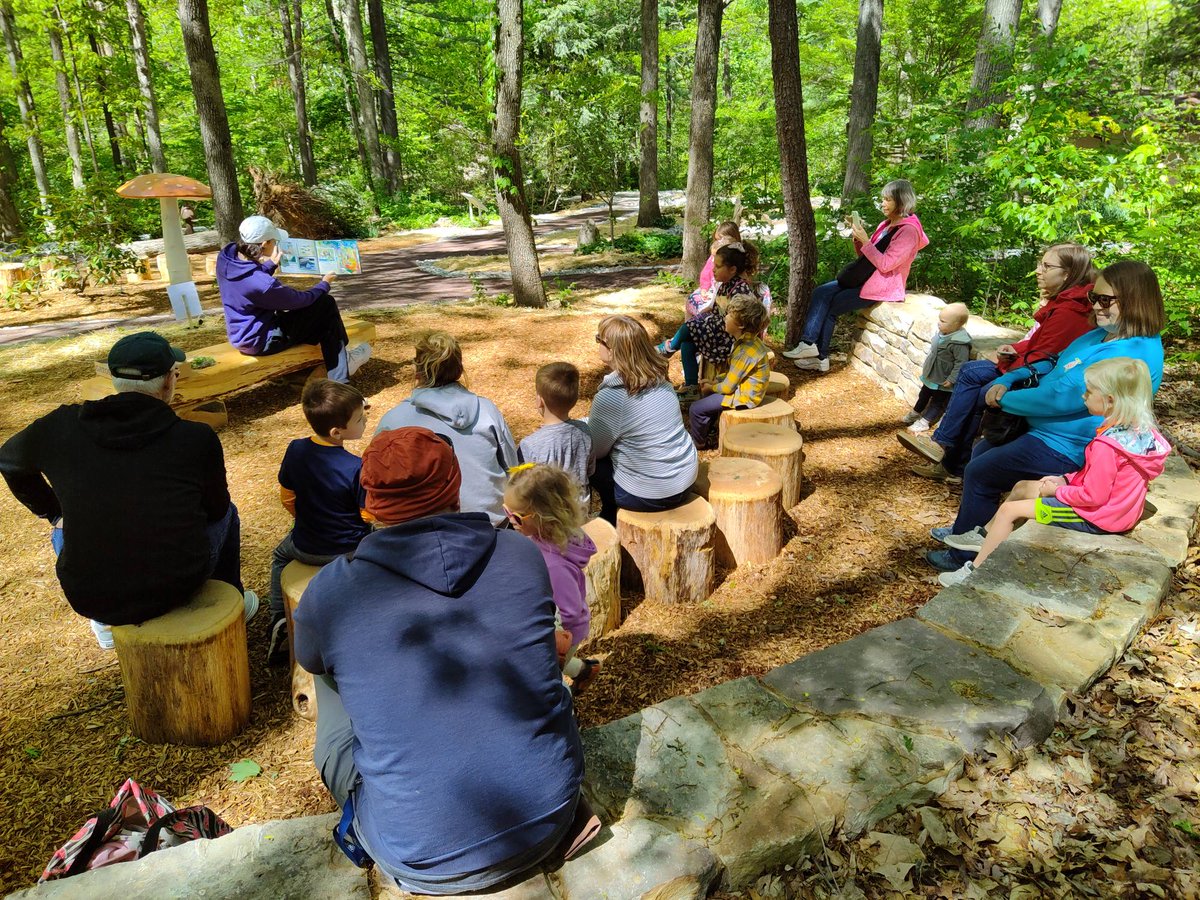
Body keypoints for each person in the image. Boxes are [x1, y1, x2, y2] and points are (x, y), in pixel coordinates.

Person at [294, 426, 587, 894]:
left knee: (326, 680)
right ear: (455, 485)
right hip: (551, 813)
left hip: (419, 854)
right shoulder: (520, 552)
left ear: (372, 505)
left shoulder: (331, 591)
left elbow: (310, 659)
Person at [0, 332, 254, 650]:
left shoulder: (60, 426)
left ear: (114, 379)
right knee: (229, 513)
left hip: (89, 595)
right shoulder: (195, 438)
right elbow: (216, 509)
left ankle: (106, 624)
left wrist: (53, 512)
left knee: (66, 527)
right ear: (169, 381)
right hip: (179, 584)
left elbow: (8, 460)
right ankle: (230, 599)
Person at [926, 260, 1166, 572]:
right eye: (1093, 297)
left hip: (1071, 445)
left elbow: (1060, 398)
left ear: (1134, 300)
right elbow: (1055, 361)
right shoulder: (1101, 335)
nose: (1096, 306)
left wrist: (1002, 399)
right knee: (982, 453)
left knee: (982, 471)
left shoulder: (1134, 351)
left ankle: (966, 556)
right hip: (1047, 432)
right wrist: (1010, 377)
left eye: (1105, 300)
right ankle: (972, 531)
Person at [938, 357, 1170, 586]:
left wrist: (1058, 492)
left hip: (1099, 517)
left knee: (1009, 510)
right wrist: (1065, 479)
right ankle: (986, 535)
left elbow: (1094, 496)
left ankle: (977, 572)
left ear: (1109, 400)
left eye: (1089, 392)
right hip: (1115, 508)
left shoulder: (1106, 446)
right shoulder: (1136, 432)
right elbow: (1096, 475)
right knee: (1022, 488)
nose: (1083, 396)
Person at [901, 243, 1098, 481]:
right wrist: (1014, 348)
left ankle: (949, 455)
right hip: (1030, 368)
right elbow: (1040, 343)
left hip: (1037, 377)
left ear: (1068, 274)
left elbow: (1043, 357)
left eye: (1047, 266)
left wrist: (1006, 366)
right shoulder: (1067, 301)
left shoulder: (1070, 310)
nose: (1038, 270)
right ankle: (948, 456)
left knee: (978, 389)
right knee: (971, 374)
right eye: (1040, 264)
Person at [265, 379, 373, 665]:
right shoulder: (356, 467)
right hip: (347, 550)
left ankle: (278, 617)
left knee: (280, 556)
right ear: (337, 432)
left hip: (304, 544)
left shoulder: (295, 450)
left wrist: (305, 518)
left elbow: (287, 496)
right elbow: (366, 515)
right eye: (360, 419)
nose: (365, 420)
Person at [782, 180, 929, 373]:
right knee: (821, 293)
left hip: (881, 286)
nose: (883, 204)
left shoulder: (908, 231)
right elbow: (866, 257)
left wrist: (866, 241)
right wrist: (859, 240)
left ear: (901, 201)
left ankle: (820, 357)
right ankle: (809, 344)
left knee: (833, 306)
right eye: (883, 199)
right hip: (865, 277)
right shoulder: (886, 224)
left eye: (887, 200)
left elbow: (886, 264)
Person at [375, 331, 518, 527]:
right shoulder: (486, 410)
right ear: (459, 370)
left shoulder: (394, 419)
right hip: (488, 522)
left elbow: (378, 476)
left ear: (417, 372)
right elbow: (512, 467)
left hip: (421, 528)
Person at [216, 215, 370, 384]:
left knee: (325, 322)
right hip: (262, 341)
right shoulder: (263, 284)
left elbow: (246, 283)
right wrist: (324, 284)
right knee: (326, 304)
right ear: (265, 243)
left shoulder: (226, 257)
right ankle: (341, 376)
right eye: (275, 241)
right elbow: (298, 300)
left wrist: (269, 266)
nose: (276, 245)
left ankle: (340, 366)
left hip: (242, 334)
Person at [589, 315, 699, 525]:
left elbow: (596, 450)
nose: (597, 343)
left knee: (586, 454)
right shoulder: (661, 379)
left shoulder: (612, 397)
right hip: (685, 480)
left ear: (612, 350)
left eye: (599, 339)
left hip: (646, 495)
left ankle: (610, 515)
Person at [503, 464, 601, 693]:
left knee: (549, 676)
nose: (511, 521)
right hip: (555, 626)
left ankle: (565, 707)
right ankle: (586, 671)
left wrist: (554, 643)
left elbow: (570, 612)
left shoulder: (555, 565)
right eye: (506, 512)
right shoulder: (545, 536)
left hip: (563, 634)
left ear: (542, 518)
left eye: (516, 517)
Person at [657, 242, 766, 400]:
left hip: (729, 339)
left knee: (690, 326)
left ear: (732, 270)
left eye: (718, 266)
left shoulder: (740, 290)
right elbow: (716, 310)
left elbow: (735, 323)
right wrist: (705, 315)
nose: (713, 270)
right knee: (687, 345)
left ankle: (668, 348)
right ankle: (692, 387)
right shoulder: (726, 285)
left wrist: (703, 322)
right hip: (717, 333)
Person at [688, 294, 772, 450]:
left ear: (740, 325)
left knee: (696, 409)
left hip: (745, 397)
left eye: (729, 315)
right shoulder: (748, 343)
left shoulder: (744, 351)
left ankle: (698, 442)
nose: (725, 318)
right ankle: (709, 430)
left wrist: (711, 387)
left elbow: (728, 388)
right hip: (743, 390)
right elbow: (734, 374)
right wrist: (716, 381)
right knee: (707, 398)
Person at [517, 362, 594, 504]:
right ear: (575, 399)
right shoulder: (584, 430)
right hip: (580, 507)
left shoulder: (529, 444)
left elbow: (524, 484)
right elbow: (590, 469)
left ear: (540, 401)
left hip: (549, 510)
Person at [901, 303, 972, 434]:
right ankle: (916, 412)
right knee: (924, 395)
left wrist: (952, 379)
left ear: (957, 324)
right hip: (932, 374)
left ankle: (925, 422)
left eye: (943, 321)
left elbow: (961, 363)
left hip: (943, 379)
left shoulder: (959, 343)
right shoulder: (944, 333)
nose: (939, 323)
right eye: (939, 319)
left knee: (937, 401)